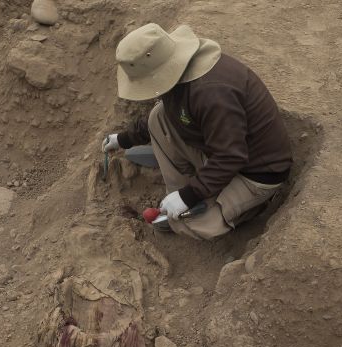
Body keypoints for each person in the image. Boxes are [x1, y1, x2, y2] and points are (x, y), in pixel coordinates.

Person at [102, 23, 294, 240]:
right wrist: (124, 139)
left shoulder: (212, 94)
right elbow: (169, 113)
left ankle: (243, 208)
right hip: (221, 152)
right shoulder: (179, 75)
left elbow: (231, 156)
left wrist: (188, 195)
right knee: (158, 117)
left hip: (256, 172)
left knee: (192, 223)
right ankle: (184, 201)